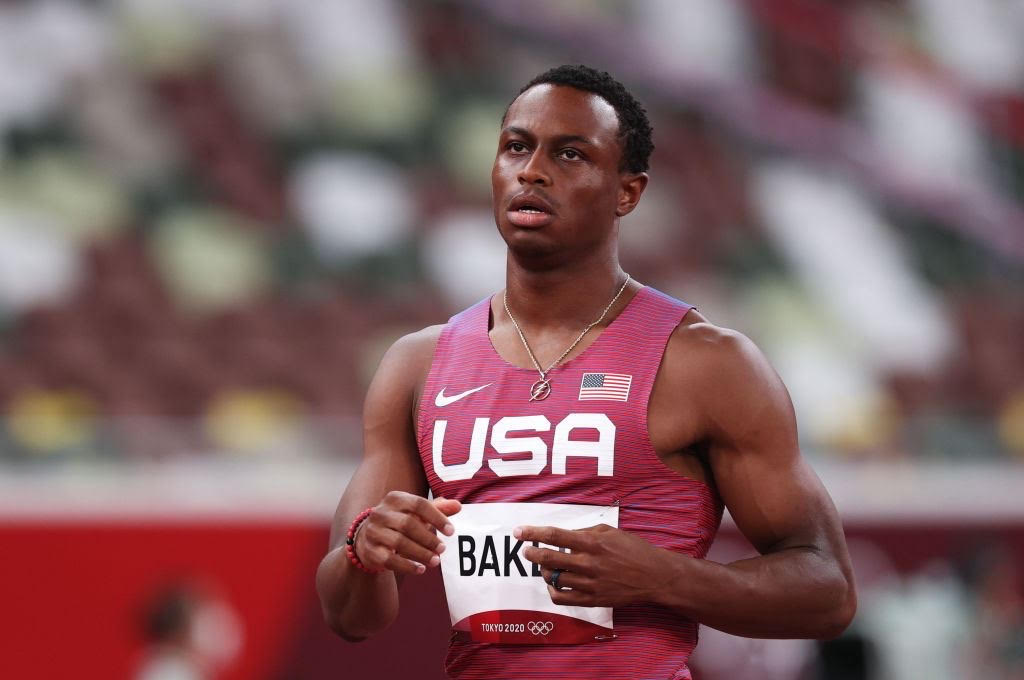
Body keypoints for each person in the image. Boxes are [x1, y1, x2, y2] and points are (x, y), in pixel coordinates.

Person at [316, 64, 856, 679]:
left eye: (570, 154)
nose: (532, 170)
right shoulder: (417, 365)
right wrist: (364, 551)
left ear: (628, 192)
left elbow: (828, 590)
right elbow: (351, 618)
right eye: (516, 147)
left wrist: (660, 575)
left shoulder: (706, 362)